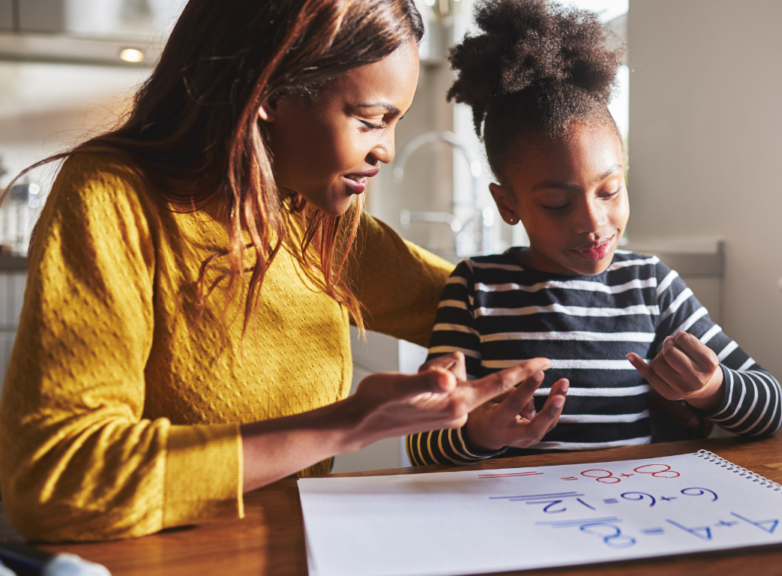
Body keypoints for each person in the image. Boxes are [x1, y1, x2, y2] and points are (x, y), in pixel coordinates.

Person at [0, 0, 550, 542]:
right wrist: (348, 422)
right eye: (370, 120)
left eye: (394, 122)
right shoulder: (113, 196)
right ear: (271, 90)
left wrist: (630, 309)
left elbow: (491, 310)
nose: (387, 149)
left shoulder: (315, 216)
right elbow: (57, 482)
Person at [406, 0, 782, 466]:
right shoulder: (475, 287)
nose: (592, 223)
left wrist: (711, 389)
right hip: (513, 517)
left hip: (631, 513)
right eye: (557, 204)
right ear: (508, 204)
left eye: (609, 191)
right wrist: (479, 434)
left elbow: (771, 408)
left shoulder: (650, 284)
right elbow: (421, 442)